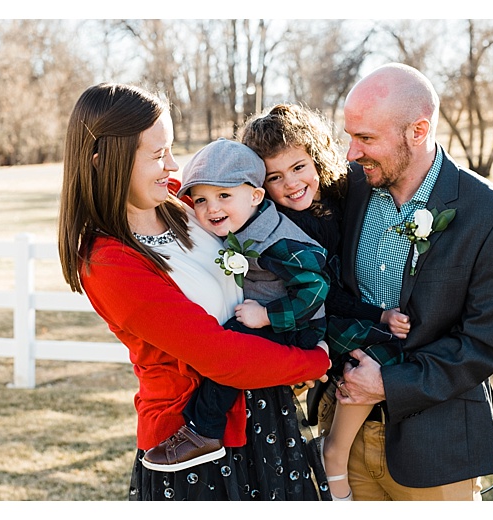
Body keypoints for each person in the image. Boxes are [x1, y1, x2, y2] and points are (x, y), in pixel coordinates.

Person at [57, 83, 331, 500]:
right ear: (104, 161)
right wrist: (313, 362)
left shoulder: (184, 204)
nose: (172, 165)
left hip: (265, 408)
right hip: (198, 440)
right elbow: (219, 356)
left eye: (169, 150)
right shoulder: (108, 262)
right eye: (157, 154)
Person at [281, 63, 493, 501]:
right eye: (350, 136)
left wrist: (388, 384)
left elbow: (483, 345)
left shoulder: (491, 215)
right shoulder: (347, 188)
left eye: (366, 138)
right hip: (343, 435)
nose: (351, 152)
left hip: (435, 446)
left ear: (418, 130)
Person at [238, 105, 419, 501]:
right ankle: (333, 451)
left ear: (316, 157)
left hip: (333, 308)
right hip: (311, 316)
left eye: (299, 167)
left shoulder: (340, 197)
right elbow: (325, 291)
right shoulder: (285, 228)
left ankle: (333, 447)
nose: (291, 184)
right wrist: (380, 314)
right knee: (381, 348)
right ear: (259, 185)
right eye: (275, 177)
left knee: (385, 347)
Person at [135, 138, 343, 475]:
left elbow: (315, 287)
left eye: (223, 195)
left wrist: (265, 317)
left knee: (232, 345)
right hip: (277, 317)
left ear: (256, 195)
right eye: (200, 199)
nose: (211, 208)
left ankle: (204, 430)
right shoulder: (243, 223)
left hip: (298, 324)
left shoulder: (277, 241)